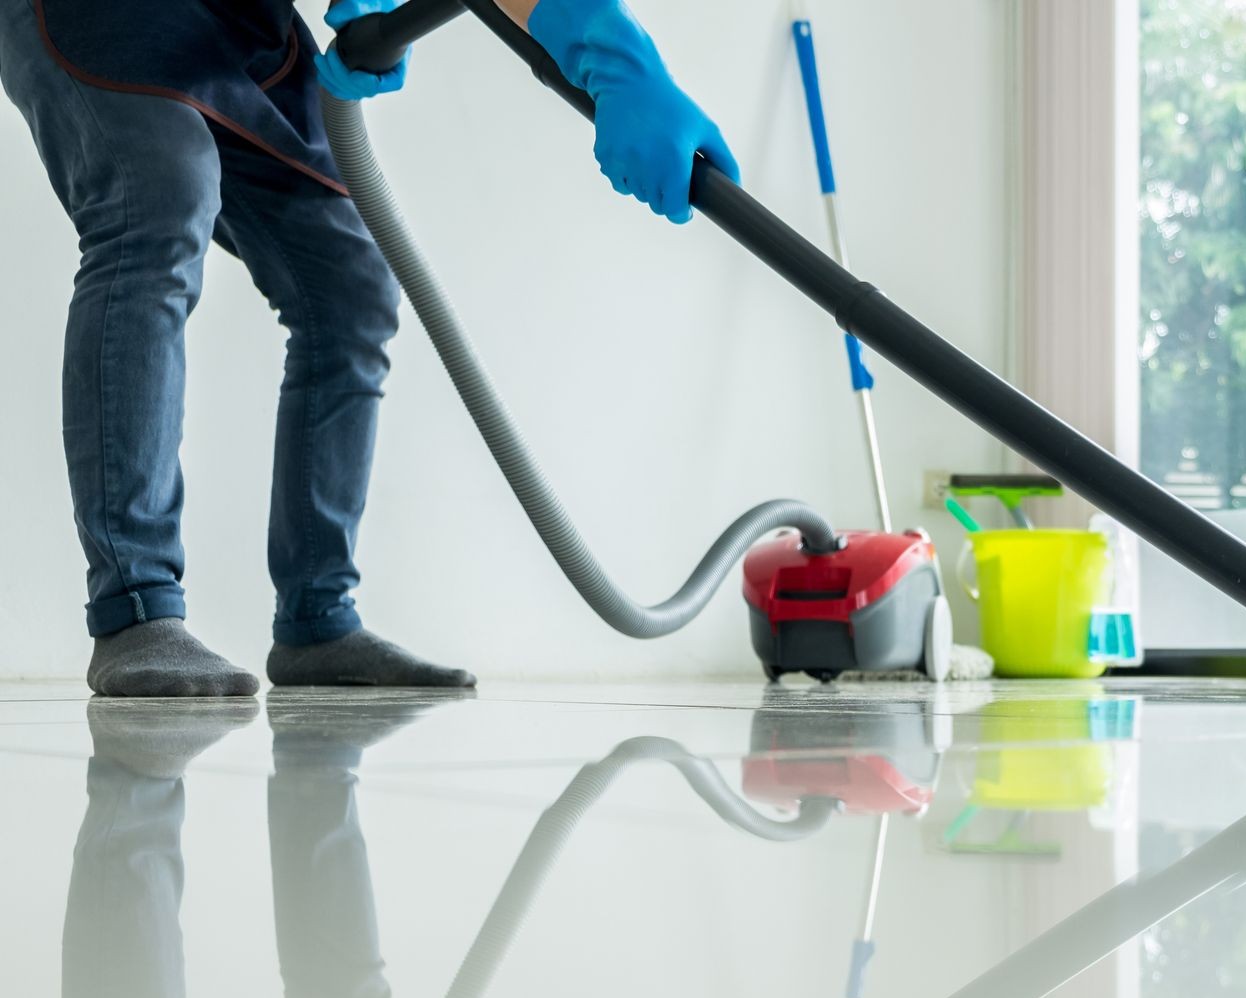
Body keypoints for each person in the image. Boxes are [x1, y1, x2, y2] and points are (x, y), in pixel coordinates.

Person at [0, 0, 738, 697]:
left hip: (236, 25)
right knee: (160, 196)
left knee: (349, 285)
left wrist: (621, 65)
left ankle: (318, 620)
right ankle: (138, 608)